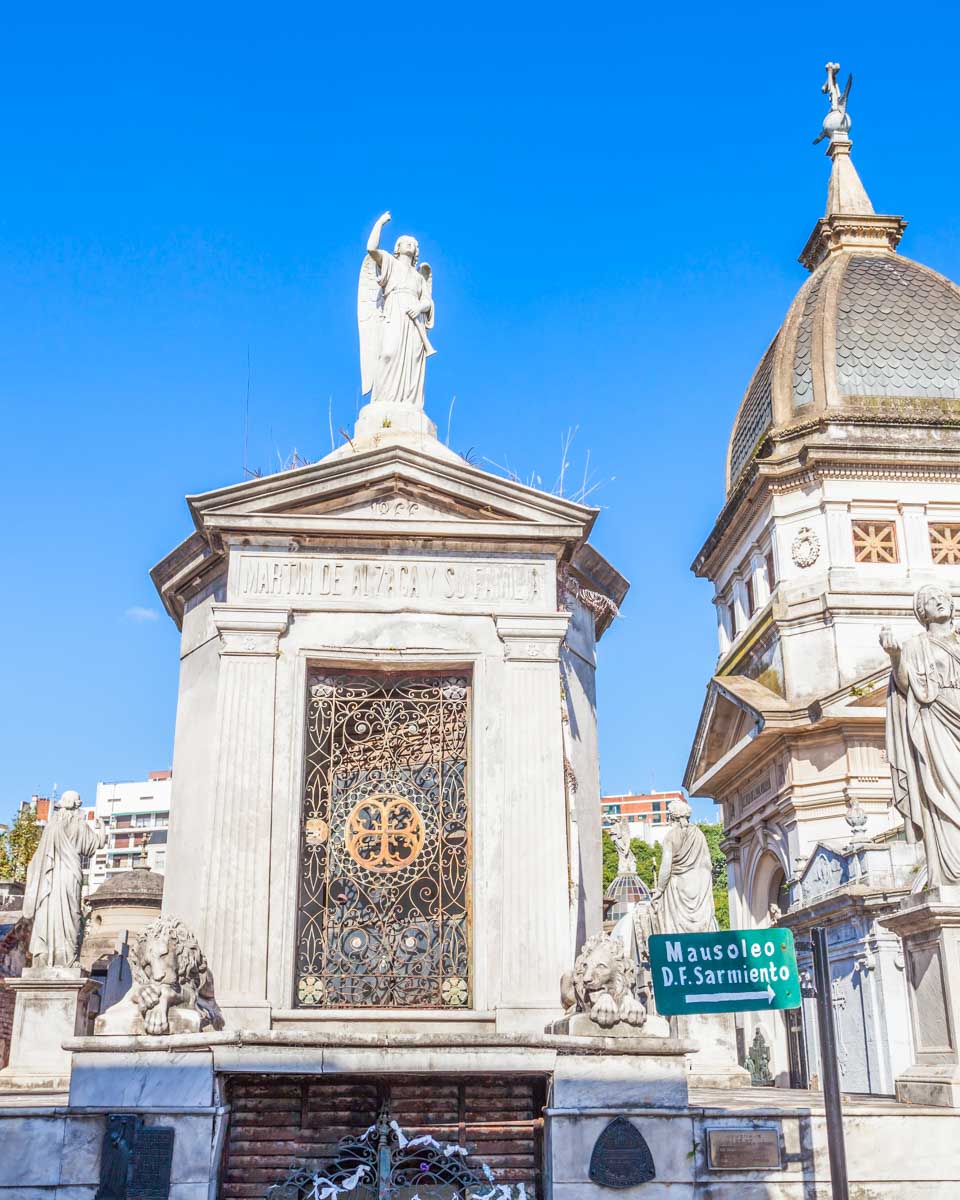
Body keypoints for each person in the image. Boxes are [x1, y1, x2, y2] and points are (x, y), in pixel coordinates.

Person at [882, 584, 960, 885]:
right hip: (937, 724)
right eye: (930, 600)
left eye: (943, 598)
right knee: (947, 792)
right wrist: (895, 656)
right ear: (921, 613)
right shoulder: (916, 646)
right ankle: (951, 868)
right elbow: (905, 685)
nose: (939, 601)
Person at [358, 210, 435, 409]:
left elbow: (428, 301)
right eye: (405, 242)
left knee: (411, 361)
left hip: (413, 319)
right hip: (394, 311)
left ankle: (408, 403)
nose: (409, 243)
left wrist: (419, 307)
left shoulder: (419, 277)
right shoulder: (389, 262)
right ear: (397, 248)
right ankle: (382, 402)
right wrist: (380, 223)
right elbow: (371, 248)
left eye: (413, 243)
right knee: (388, 353)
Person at [22, 790, 105, 968]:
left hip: (50, 877)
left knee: (53, 912)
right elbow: (96, 844)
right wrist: (102, 827)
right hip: (69, 875)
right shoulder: (78, 824)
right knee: (70, 913)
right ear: (78, 804)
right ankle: (66, 955)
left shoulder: (52, 825)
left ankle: (46, 954)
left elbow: (39, 858)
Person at [651, 797, 717, 934]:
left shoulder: (670, 836)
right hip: (699, 888)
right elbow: (707, 863)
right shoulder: (699, 834)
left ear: (672, 817)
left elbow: (665, 867)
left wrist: (659, 890)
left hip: (678, 889)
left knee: (678, 932)